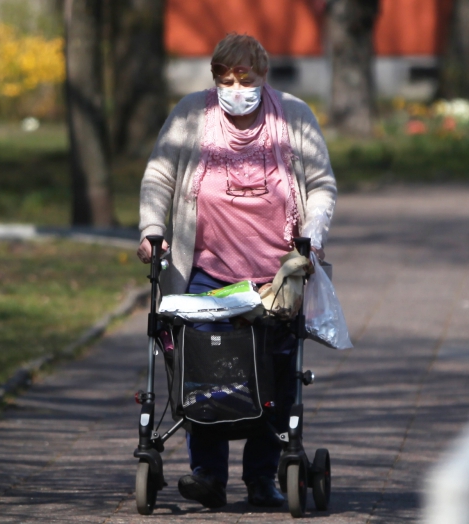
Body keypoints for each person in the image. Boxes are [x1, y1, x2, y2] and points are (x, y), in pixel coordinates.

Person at [137, 33, 337, 509]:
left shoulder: (293, 115)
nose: (235, 86)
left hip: (275, 275)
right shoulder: (191, 114)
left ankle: (263, 476)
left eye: (244, 76)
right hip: (207, 272)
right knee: (206, 368)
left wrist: (312, 237)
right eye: (225, 77)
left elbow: (321, 183)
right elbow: (159, 175)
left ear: (262, 74)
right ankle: (208, 475)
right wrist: (151, 230)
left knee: (276, 373)